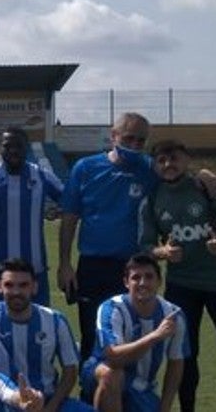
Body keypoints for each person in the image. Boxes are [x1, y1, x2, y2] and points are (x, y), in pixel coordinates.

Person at [141, 140, 216, 412]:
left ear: (187, 159)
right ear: (156, 165)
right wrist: (163, 251)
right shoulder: (153, 198)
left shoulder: (209, 188)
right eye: (162, 161)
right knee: (186, 355)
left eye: (174, 158)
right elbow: (144, 245)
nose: (168, 165)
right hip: (181, 288)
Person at [58, 113, 159, 359]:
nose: (135, 145)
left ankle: (126, 394)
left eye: (141, 141)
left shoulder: (150, 169)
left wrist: (206, 176)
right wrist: (64, 264)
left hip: (134, 268)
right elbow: (70, 218)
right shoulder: (86, 168)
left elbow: (180, 179)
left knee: (130, 336)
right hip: (93, 266)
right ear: (113, 136)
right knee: (92, 334)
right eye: (129, 138)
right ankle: (89, 393)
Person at [0, 259, 90, 412]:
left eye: (23, 285)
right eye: (9, 285)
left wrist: (50, 408)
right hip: (2, 402)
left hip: (48, 400)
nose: (16, 292)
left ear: (34, 287)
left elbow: (70, 370)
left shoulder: (55, 320)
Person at [81, 254, 187, 412]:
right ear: (126, 282)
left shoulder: (174, 315)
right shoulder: (112, 309)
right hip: (100, 373)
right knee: (112, 374)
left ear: (159, 281)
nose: (143, 283)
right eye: (136, 277)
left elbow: (176, 363)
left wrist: (165, 407)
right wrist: (155, 336)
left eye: (149, 277)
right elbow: (113, 357)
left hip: (141, 386)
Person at [0, 127, 64, 306]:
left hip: (35, 269)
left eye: (18, 145)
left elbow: (69, 201)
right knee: (0, 324)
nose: (13, 150)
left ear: (26, 147)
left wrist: (58, 210)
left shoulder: (41, 176)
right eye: (7, 146)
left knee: (40, 322)